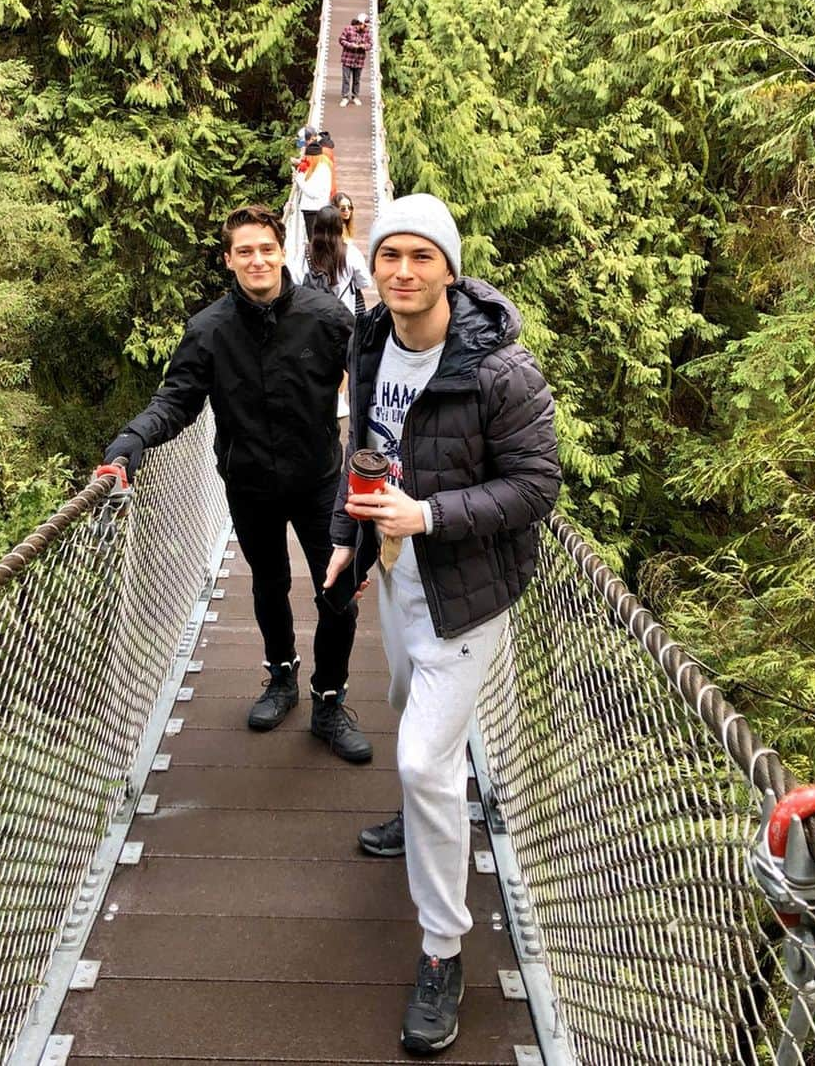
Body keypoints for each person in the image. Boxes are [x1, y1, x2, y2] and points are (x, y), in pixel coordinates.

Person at [324, 194, 560, 1055]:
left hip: (467, 592)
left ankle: (441, 950)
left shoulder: (502, 372)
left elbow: (536, 490)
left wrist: (426, 517)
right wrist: (352, 537)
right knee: (397, 702)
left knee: (424, 756)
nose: (402, 272)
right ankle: (421, 815)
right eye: (390, 256)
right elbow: (367, 452)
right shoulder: (369, 337)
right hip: (393, 578)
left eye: (422, 257)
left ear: (450, 271)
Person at [103, 204, 372, 763]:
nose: (257, 259)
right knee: (268, 585)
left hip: (321, 478)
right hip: (249, 483)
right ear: (228, 260)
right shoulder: (209, 331)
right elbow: (176, 401)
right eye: (244, 251)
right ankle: (281, 679)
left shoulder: (327, 317)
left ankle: (328, 700)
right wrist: (132, 441)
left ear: (282, 251)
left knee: (337, 591)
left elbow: (377, 375)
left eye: (266, 248)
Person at [302, 204, 372, 317]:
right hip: (344, 314)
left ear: (316, 226)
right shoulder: (351, 252)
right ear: (340, 226)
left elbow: (295, 280)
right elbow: (365, 282)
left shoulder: (304, 253)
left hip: (313, 314)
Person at [294, 139, 335, 238]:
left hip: (315, 210)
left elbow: (313, 193)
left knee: (314, 239)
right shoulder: (319, 168)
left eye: (308, 156)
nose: (306, 158)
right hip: (313, 209)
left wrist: (298, 179)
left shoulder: (321, 170)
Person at [339, 13, 371, 108]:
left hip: (359, 61)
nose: (366, 27)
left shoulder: (367, 33)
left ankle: (355, 97)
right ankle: (345, 97)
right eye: (364, 25)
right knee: (346, 79)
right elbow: (341, 40)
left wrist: (363, 46)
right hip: (347, 59)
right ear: (360, 23)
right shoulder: (348, 29)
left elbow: (370, 44)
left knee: (357, 80)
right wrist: (351, 45)